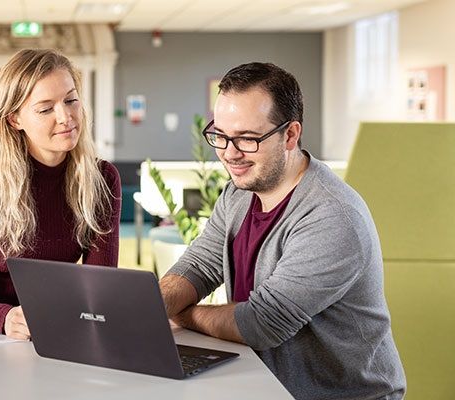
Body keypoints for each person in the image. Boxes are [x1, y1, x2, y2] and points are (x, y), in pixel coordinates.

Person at [159, 62, 406, 399]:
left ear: (290, 135)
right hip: (268, 384)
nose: (229, 154)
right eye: (220, 136)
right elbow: (201, 265)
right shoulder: (239, 192)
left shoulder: (333, 216)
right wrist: (155, 302)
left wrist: (182, 314)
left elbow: (262, 323)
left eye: (247, 138)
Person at [0, 49, 121, 339]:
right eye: (45, 109)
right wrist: (5, 317)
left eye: (71, 100)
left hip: (59, 329)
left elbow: (99, 285)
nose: (66, 117)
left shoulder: (102, 179)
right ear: (14, 119)